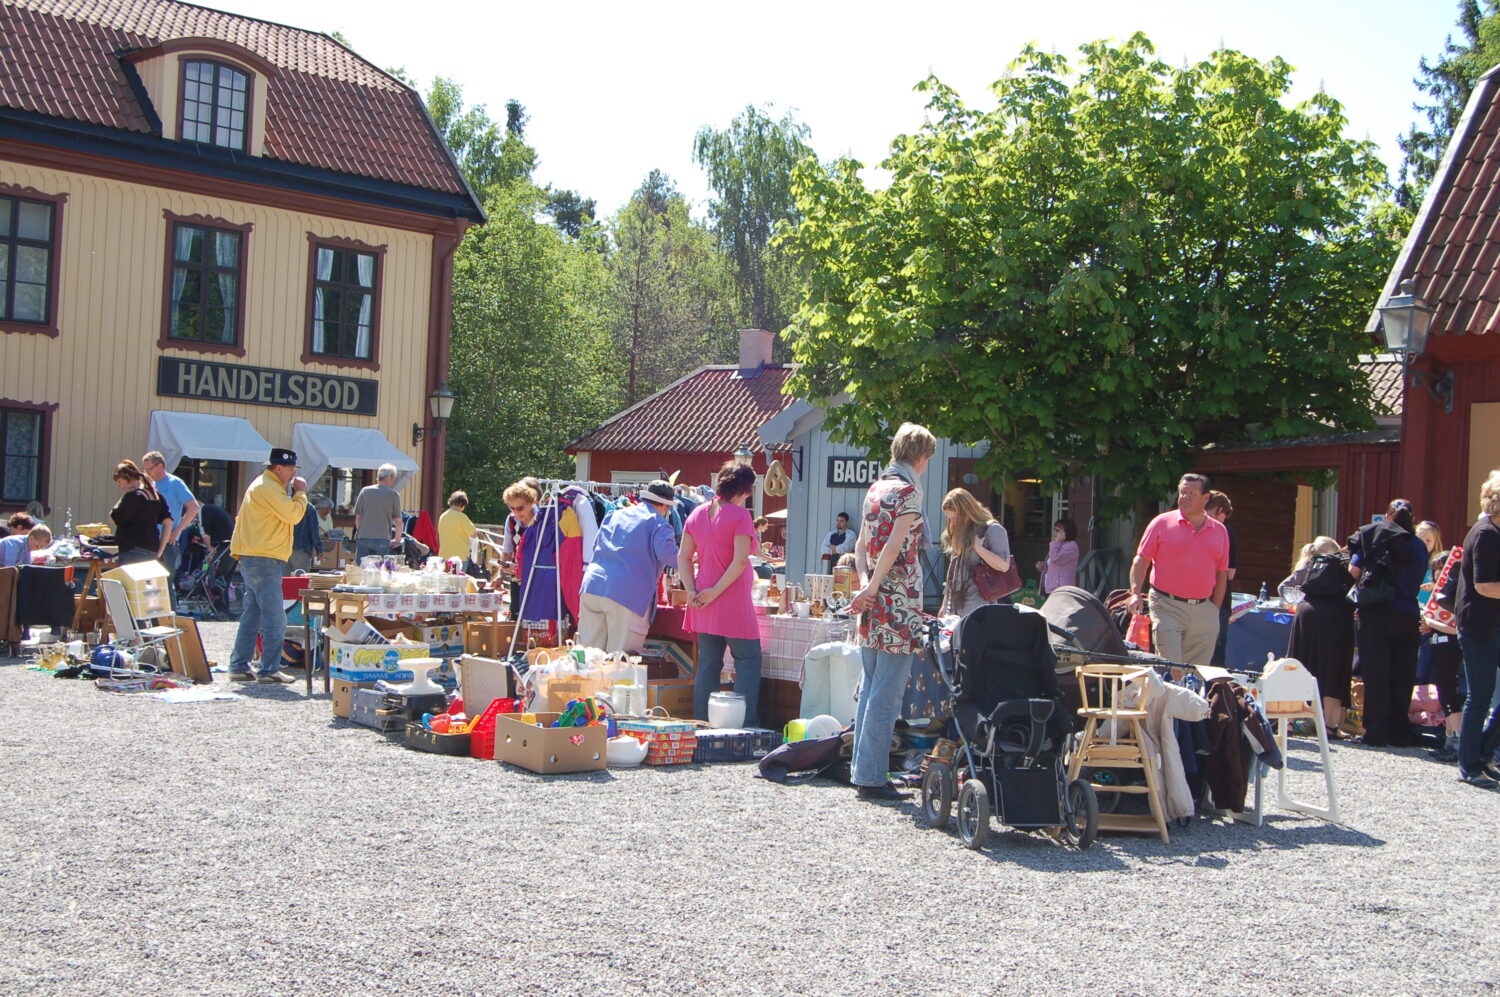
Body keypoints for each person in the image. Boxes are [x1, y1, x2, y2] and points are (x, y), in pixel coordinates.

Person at [849, 422, 938, 802]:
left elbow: (861, 546)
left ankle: (861, 770)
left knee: (870, 686)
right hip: (898, 603)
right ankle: (871, 778)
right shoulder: (907, 493)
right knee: (886, 693)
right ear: (920, 456)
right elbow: (895, 548)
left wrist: (865, 585)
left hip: (872, 604)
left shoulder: (875, 490)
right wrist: (873, 587)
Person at [682, 462, 762, 726]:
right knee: (748, 661)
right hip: (731, 600)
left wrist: (692, 590)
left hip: (702, 599)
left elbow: (683, 557)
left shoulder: (696, 513)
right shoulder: (740, 516)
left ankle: (702, 724)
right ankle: (745, 725)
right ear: (743, 490)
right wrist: (713, 592)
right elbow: (740, 561)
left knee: (708, 664)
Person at [1347, 498, 1428, 748]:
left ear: (1387, 516)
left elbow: (1353, 569)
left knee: (1376, 673)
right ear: (1411, 519)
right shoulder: (1419, 545)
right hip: (1407, 611)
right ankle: (1399, 732)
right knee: (1403, 674)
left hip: (1376, 612)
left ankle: (1376, 733)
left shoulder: (1376, 537)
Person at [1126, 473, 1230, 668]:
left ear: (1206, 498)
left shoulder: (1220, 531)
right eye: (1182, 492)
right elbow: (1141, 560)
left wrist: (1213, 610)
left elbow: (1221, 574)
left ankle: (1190, 698)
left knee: (1198, 672)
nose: (1185, 497)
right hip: (1166, 604)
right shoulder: (1161, 523)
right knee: (1171, 666)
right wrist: (1135, 593)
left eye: (1192, 493)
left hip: (1203, 609)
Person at [226, 448, 307, 684]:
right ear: (278, 468)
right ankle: (269, 669)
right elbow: (293, 515)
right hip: (264, 559)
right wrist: (301, 494)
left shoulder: (263, 485)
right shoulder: (268, 487)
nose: (292, 474)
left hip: (255, 557)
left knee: (252, 615)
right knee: (274, 618)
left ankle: (239, 666)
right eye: (290, 469)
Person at [578, 480, 679, 652]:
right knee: (620, 662)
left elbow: (595, 547)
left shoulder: (614, 515)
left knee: (588, 657)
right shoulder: (659, 523)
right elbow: (671, 557)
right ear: (665, 506)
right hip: (626, 595)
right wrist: (693, 557)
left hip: (592, 586)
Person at [1279, 537, 1354, 738]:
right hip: (1334, 614)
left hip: (1305, 611)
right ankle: (1330, 726)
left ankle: (1288, 722)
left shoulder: (1309, 565)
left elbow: (1283, 588)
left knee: (1298, 664)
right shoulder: (1344, 566)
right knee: (1334, 668)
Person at [1455, 470, 1500, 787]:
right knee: (1479, 696)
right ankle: (1469, 765)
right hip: (1480, 626)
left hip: (1493, 624)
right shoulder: (1485, 534)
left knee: (1483, 696)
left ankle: (1483, 751)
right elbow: (1485, 586)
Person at [1416, 521, 1464, 762]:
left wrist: (1432, 623)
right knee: (1444, 694)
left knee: (1451, 694)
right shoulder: (1437, 596)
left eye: (1440, 570)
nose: (1436, 575)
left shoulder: (1454, 596)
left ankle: (1456, 742)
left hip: (1450, 648)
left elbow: (1457, 629)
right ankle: (1449, 739)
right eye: (1435, 570)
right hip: (1437, 645)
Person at [937, 487, 1011, 618]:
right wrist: (945, 604)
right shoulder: (959, 532)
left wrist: (979, 548)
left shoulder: (992, 529)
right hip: (956, 603)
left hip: (980, 600)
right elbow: (953, 572)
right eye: (949, 518)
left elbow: (1004, 566)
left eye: (955, 517)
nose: (952, 522)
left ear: (968, 511)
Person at [101, 459, 172, 566]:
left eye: (120, 481)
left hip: (133, 552)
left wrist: (124, 496)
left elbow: (114, 519)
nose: (119, 486)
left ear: (128, 478)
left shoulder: (133, 497)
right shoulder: (156, 496)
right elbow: (168, 523)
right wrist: (159, 552)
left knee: (128, 583)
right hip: (152, 551)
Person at [141, 451, 200, 578]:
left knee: (166, 584)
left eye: (149, 469)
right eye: (145, 470)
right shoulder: (149, 485)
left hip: (168, 542)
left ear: (160, 466)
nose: (147, 473)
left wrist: (178, 531)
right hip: (149, 541)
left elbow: (194, 507)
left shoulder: (175, 483)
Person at [1205, 491, 1237, 668]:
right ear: (1219, 510)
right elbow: (1230, 573)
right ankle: (1215, 693)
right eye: (1224, 515)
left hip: (1189, 599)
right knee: (1215, 654)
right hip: (1218, 600)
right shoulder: (1225, 531)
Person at [353, 464, 403, 561]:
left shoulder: (365, 491)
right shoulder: (393, 495)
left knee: (362, 569)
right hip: (382, 537)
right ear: (391, 477)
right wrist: (397, 539)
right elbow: (398, 521)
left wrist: (362, 533)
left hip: (364, 537)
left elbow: (358, 518)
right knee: (379, 570)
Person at [1037, 517, 1080, 595]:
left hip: (1062, 590)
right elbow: (1055, 563)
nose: (1055, 534)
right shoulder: (1059, 544)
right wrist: (1045, 565)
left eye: (1058, 531)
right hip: (1051, 589)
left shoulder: (1071, 546)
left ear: (1067, 532)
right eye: (1055, 530)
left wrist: (1056, 541)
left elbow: (1056, 559)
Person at [438, 490, 477, 561]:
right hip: (460, 557)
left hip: (444, 556)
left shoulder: (442, 516)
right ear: (462, 504)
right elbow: (474, 534)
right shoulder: (462, 517)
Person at [288, 500, 324, 573]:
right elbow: (314, 531)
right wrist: (319, 549)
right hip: (301, 548)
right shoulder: (309, 508)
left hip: (282, 549)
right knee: (301, 580)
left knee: (283, 581)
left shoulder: (282, 503)